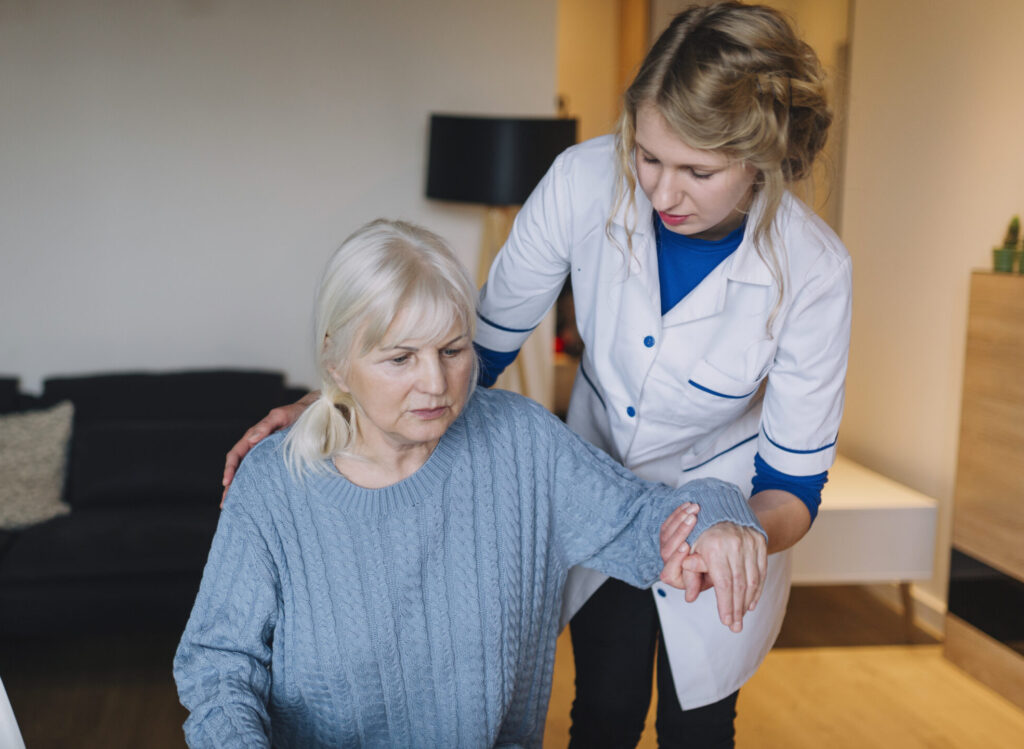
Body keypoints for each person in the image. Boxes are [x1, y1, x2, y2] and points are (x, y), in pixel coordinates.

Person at [221, 2, 851, 744]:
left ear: (761, 158)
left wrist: (733, 534)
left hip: (731, 513)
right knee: (605, 709)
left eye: (698, 171)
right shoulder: (584, 181)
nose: (662, 192)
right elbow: (476, 350)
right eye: (647, 156)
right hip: (594, 481)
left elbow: (794, 485)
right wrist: (343, 404)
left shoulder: (813, 270)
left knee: (701, 730)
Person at [178, 219, 768, 748]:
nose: (436, 384)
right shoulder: (274, 484)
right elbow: (219, 663)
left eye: (453, 350)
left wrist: (720, 514)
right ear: (336, 365)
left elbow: (647, 519)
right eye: (400, 358)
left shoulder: (522, 443)